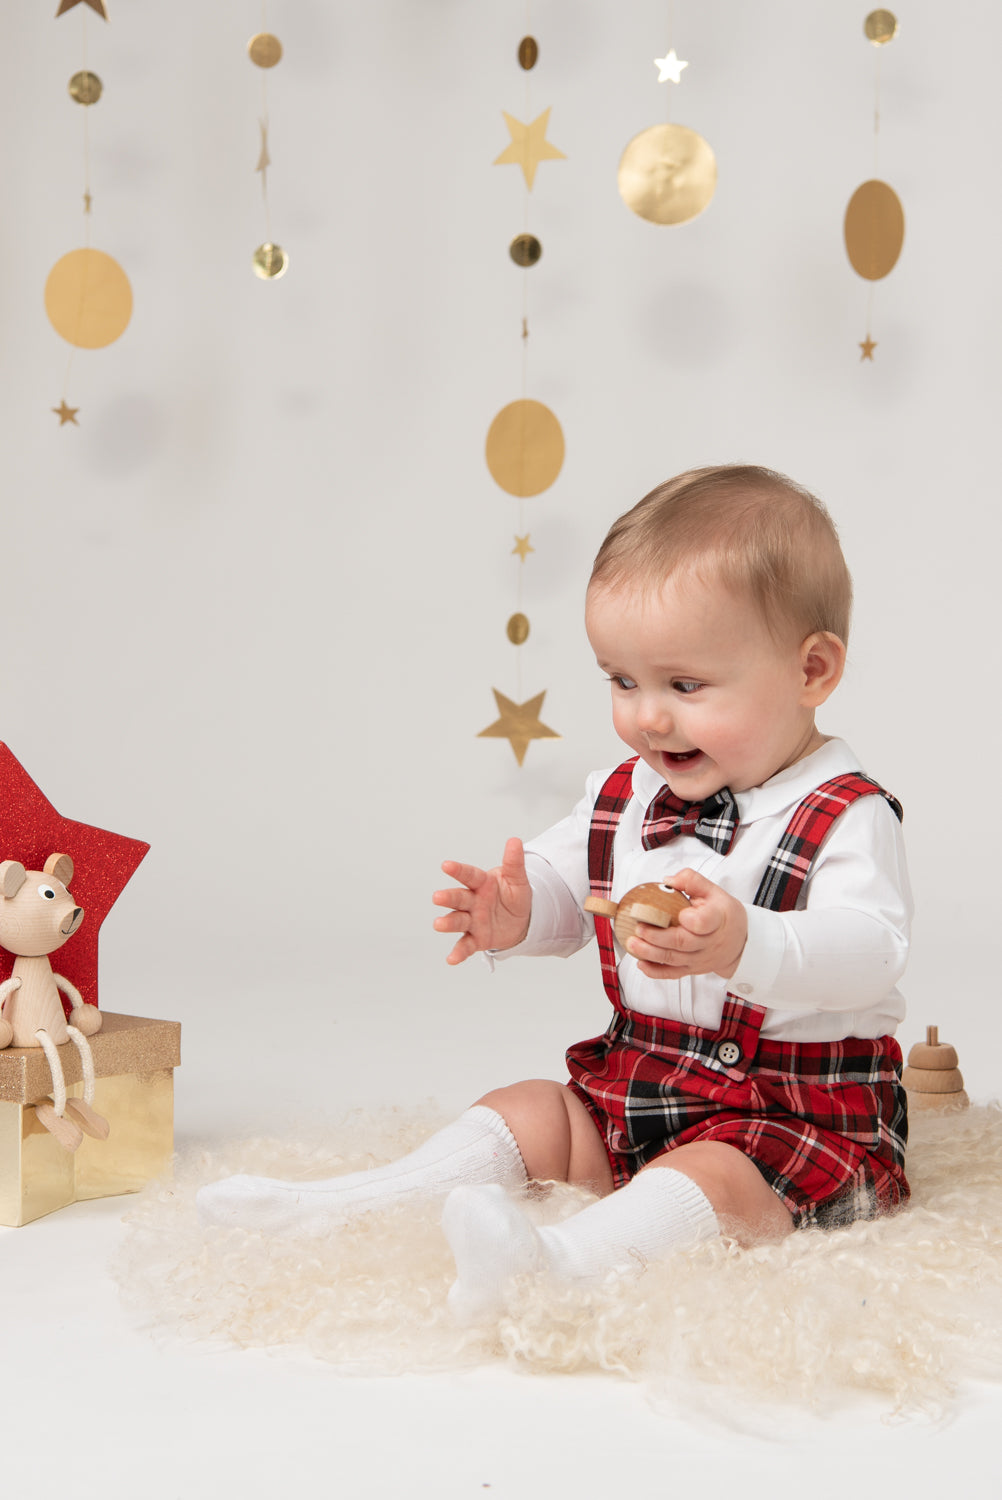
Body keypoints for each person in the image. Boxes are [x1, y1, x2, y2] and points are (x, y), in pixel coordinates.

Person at [197, 465, 911, 1325]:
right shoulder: (626, 791)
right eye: (621, 681)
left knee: (713, 1180)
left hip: (792, 1116)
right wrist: (519, 908)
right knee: (534, 1112)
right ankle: (347, 1207)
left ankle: (555, 1267)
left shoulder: (845, 813)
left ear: (813, 669)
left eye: (685, 686)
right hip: (641, 1081)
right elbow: (571, 885)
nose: (648, 717)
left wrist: (747, 945)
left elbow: (872, 952)